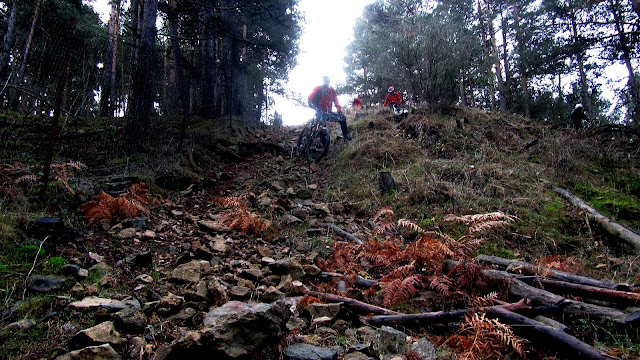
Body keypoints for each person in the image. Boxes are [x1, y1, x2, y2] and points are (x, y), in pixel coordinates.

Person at [308, 75, 352, 141]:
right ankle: (323, 144)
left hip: (328, 112)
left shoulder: (332, 90)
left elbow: (336, 101)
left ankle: (346, 136)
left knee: (342, 119)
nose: (326, 82)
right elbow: (310, 97)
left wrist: (339, 111)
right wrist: (311, 105)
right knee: (322, 126)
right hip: (319, 111)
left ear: (329, 81)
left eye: (327, 80)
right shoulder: (318, 88)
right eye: (324, 80)